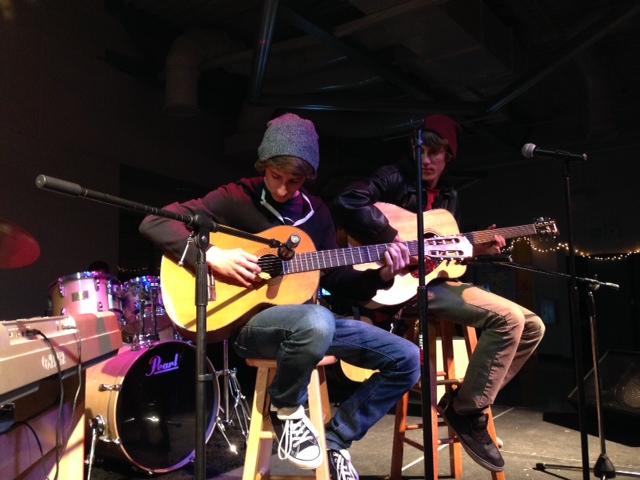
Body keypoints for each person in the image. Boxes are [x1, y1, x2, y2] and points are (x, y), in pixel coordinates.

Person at [139, 113, 421, 480]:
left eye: (295, 180)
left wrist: (383, 275)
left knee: (408, 358)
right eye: (276, 177)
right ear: (263, 166)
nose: (284, 189)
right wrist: (210, 257)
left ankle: (336, 439)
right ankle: (287, 408)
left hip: (310, 324)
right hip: (253, 326)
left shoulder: (316, 213)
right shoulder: (234, 198)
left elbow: (335, 276)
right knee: (315, 322)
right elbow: (154, 221)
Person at [330, 114, 546, 472]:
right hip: (397, 287)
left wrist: (477, 251)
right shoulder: (392, 177)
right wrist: (392, 240)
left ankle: (465, 405)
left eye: (435, 153)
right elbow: (349, 200)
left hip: (433, 284)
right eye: (421, 151)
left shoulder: (449, 196)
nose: (426, 160)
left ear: (448, 157)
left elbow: (443, 259)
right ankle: (469, 414)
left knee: (534, 325)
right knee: (507, 319)